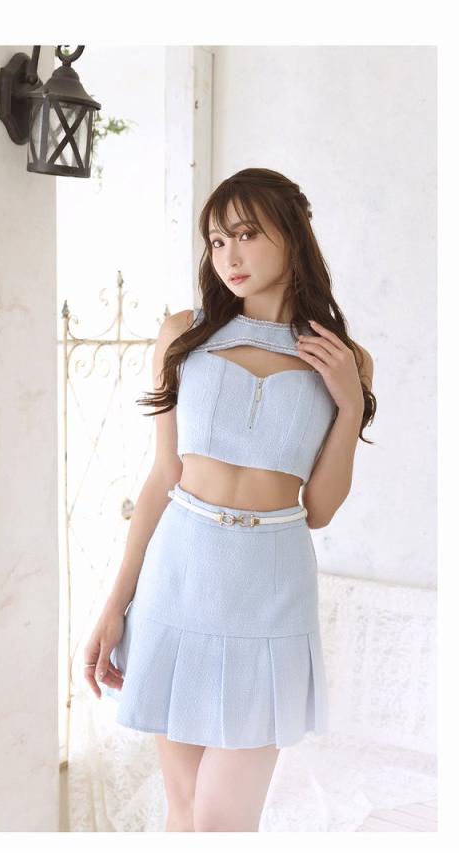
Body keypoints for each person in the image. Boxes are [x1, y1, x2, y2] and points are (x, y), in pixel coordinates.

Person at [83, 167, 376, 832]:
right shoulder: (183, 334)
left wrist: (350, 403)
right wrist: (115, 605)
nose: (229, 255)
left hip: (270, 590)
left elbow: (320, 508)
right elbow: (163, 477)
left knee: (221, 822)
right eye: (217, 241)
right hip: (178, 579)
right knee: (185, 810)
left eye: (246, 234)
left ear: (292, 236)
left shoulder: (343, 359)